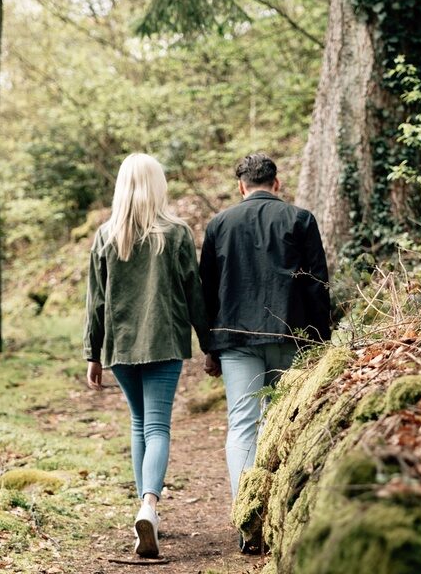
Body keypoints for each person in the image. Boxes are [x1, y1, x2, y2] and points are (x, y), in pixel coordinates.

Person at [199, 154, 331, 550]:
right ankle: (277, 514)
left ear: (241, 185)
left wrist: (209, 345)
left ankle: (247, 520)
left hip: (236, 339)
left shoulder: (219, 224)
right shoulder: (300, 220)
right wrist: (320, 342)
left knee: (242, 425)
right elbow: (317, 284)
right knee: (281, 425)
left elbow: (207, 290)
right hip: (292, 336)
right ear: (276, 182)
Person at [83, 153, 209, 558]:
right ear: (158, 186)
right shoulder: (175, 233)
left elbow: (96, 302)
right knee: (157, 427)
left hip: (120, 347)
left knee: (139, 423)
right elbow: (194, 292)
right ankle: (149, 506)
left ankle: (144, 510)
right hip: (163, 343)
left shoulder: (105, 235)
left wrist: (93, 353)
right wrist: (209, 343)